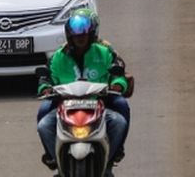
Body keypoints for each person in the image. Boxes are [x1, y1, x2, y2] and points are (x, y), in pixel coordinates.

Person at [36, 9, 130, 170]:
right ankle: (54, 158)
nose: (80, 38)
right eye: (76, 35)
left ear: (91, 34)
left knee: (120, 118)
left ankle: (111, 157)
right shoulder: (58, 57)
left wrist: (118, 85)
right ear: (69, 36)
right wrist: (45, 88)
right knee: (43, 123)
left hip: (99, 103)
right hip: (65, 105)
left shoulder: (105, 52)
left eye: (84, 34)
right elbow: (45, 78)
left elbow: (119, 74)